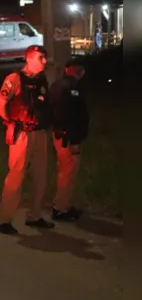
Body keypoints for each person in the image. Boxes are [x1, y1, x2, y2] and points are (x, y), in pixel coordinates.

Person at [0, 45, 55, 234]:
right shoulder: (14, 79)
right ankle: (4, 220)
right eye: (40, 58)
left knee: (40, 178)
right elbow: (0, 105)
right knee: (16, 177)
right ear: (28, 59)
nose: (44, 61)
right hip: (22, 134)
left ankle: (34, 215)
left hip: (40, 133)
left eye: (44, 58)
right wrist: (10, 123)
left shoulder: (42, 79)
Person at [48, 59, 89, 222]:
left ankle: (64, 204)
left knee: (65, 171)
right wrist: (75, 139)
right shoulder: (73, 89)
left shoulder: (56, 86)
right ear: (81, 72)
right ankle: (60, 209)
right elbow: (73, 116)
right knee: (68, 173)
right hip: (69, 139)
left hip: (60, 135)